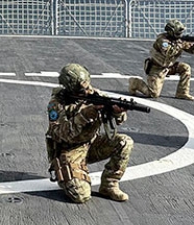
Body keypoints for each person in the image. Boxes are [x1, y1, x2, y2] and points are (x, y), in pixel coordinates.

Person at [45, 63, 133, 204]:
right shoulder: (57, 104)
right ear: (71, 89)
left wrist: (118, 113)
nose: (88, 91)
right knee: (81, 195)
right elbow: (60, 134)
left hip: (92, 144)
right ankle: (70, 172)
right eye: (83, 90)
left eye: (88, 86)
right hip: (69, 150)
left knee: (124, 142)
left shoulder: (96, 96)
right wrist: (84, 115)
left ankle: (109, 185)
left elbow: (118, 121)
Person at [128, 19, 194, 100]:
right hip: (156, 69)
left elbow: (192, 51)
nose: (180, 34)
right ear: (171, 31)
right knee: (153, 93)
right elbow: (168, 52)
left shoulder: (178, 40)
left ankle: (182, 93)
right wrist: (182, 45)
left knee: (186, 68)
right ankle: (135, 82)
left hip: (169, 66)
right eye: (178, 33)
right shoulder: (162, 41)